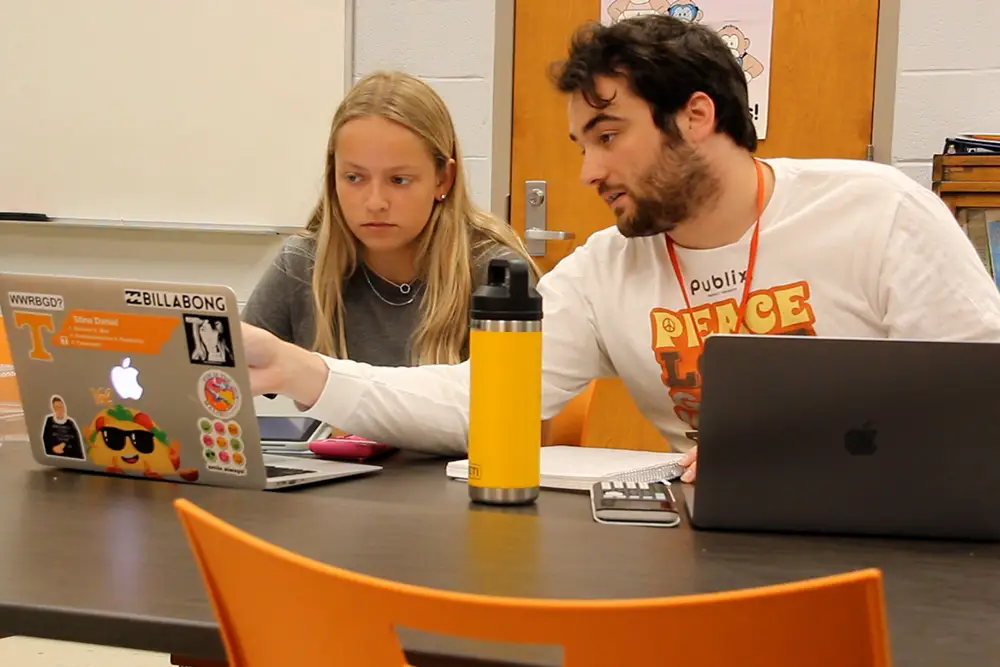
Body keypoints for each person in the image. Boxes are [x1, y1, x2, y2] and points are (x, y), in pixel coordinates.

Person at [238, 15, 1000, 472]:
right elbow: (478, 401)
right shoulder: (606, 270)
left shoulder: (879, 212)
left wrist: (805, 452)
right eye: (581, 144)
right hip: (706, 549)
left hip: (891, 551)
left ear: (696, 116)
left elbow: (978, 401)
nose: (588, 171)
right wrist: (301, 369)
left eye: (608, 136)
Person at [243, 70, 538, 370]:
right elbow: (228, 378)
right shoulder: (303, 264)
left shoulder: (495, 274)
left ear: (443, 179)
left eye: (399, 180)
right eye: (354, 177)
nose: (375, 203)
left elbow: (524, 392)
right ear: (333, 176)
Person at [41, 395, 85, 459]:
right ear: (53, 408)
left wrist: (64, 446)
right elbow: (45, 439)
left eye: (60, 407)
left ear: (64, 407)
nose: (59, 409)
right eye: (56, 407)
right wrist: (53, 448)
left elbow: (76, 444)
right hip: (53, 456)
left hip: (69, 455)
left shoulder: (70, 423)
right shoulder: (49, 421)